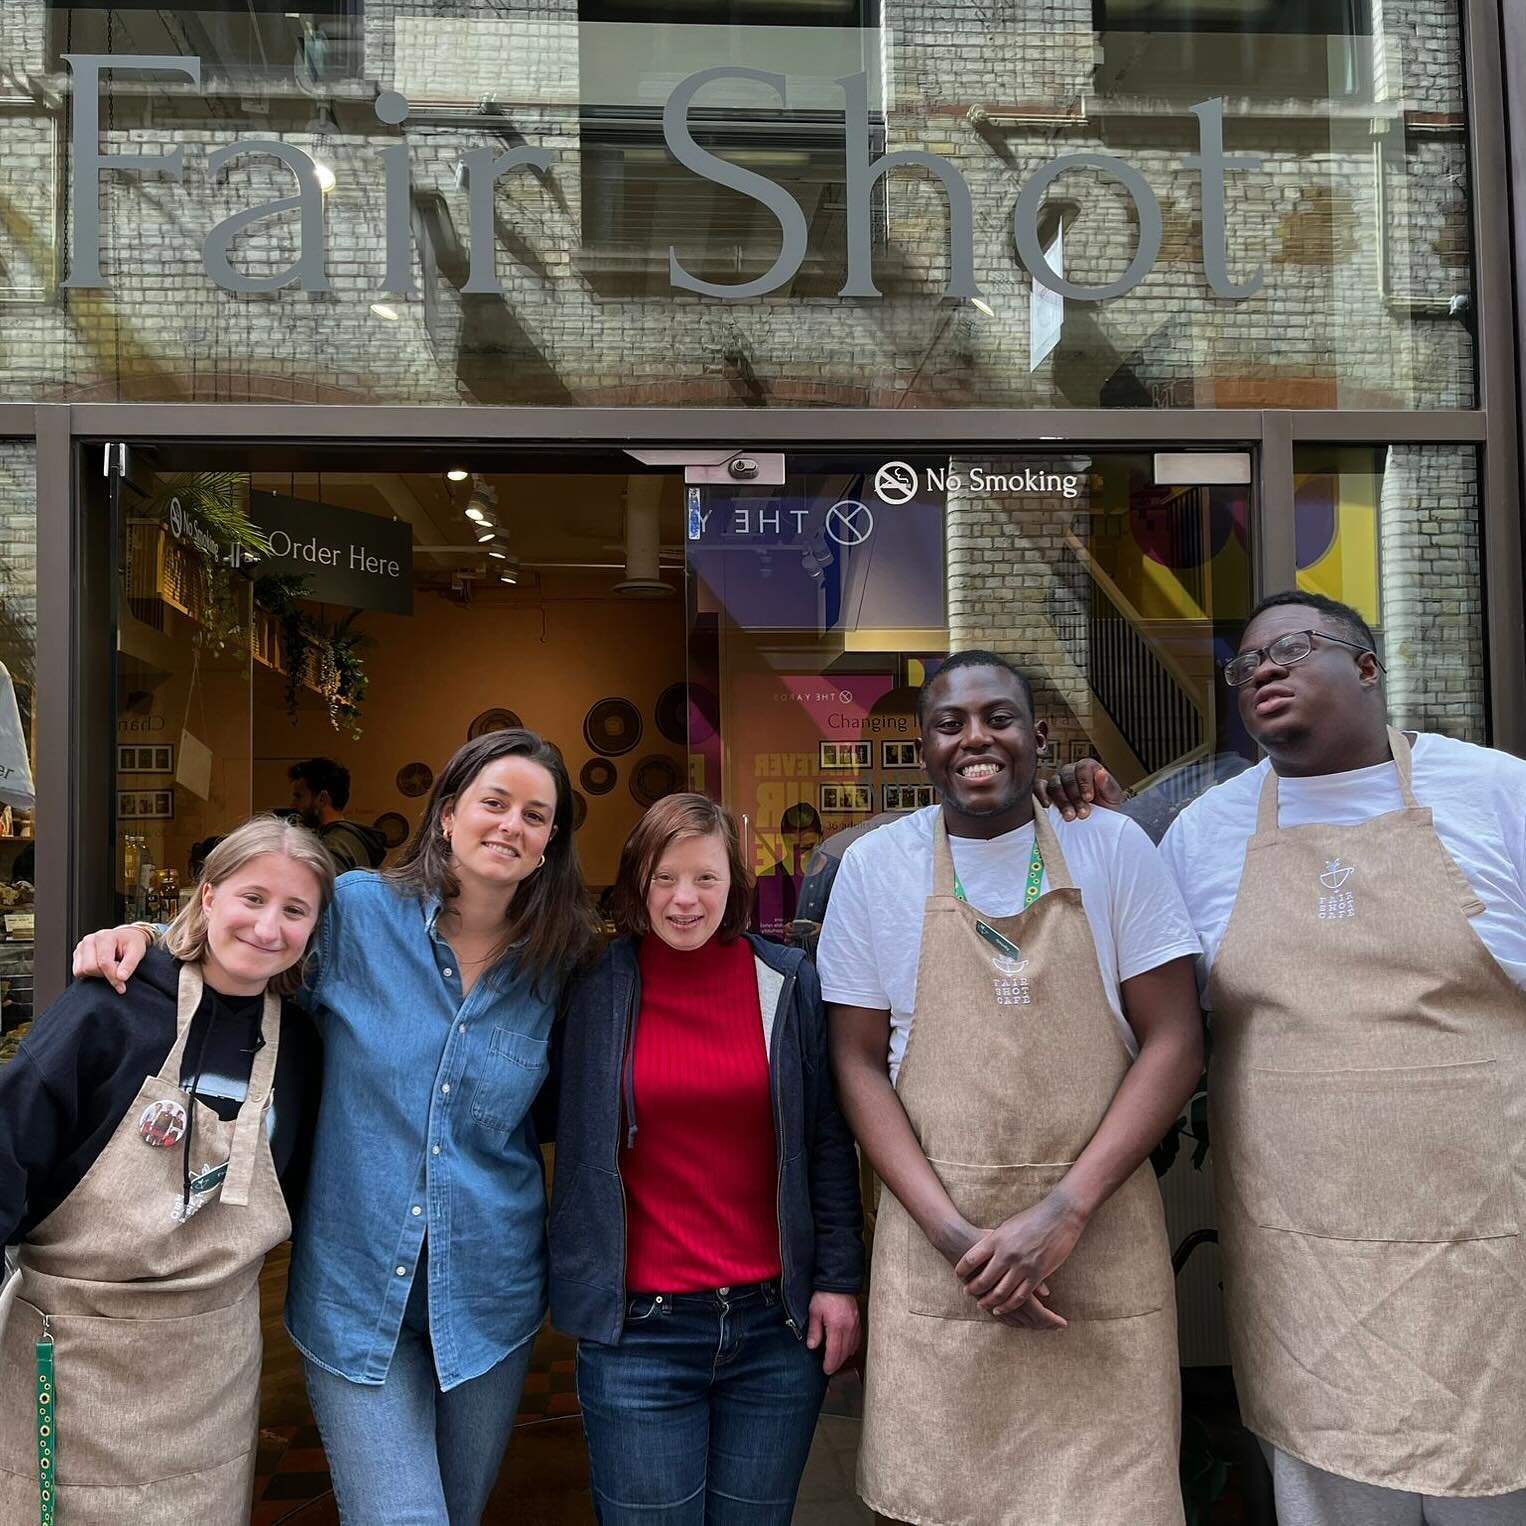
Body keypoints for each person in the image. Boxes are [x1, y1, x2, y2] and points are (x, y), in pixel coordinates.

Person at [1057, 590, 1526, 1524]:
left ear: (1366, 666)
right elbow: (1130, 1001)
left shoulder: (1499, 792)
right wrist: (1096, 831)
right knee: (1329, 1486)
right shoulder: (1204, 832)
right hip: (1307, 1257)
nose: (1263, 669)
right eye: (1246, 664)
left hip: (1490, 1243)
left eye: (1294, 647)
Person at [70, 729, 597, 1524]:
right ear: (449, 813)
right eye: (494, 803)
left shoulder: (561, 962)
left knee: (459, 1509)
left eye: (534, 814)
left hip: (492, 1297)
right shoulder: (357, 913)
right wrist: (147, 940)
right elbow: (245, 953)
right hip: (354, 1294)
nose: (510, 825)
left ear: (550, 841)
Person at [819, 649, 1203, 1525]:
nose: (975, 739)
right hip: (940, 1252)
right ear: (924, 749)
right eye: (949, 724)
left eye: (998, 717)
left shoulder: (1108, 845)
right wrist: (957, 1236)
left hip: (1098, 1245)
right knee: (940, 1502)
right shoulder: (877, 869)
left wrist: (1065, 1211)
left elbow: (1176, 1040)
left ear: (1040, 737)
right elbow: (856, 1063)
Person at [0, 815, 332, 1523]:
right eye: (252, 898)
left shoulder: (302, 1043)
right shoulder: (109, 1007)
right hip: (74, 1352)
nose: (269, 927)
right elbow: (8, 1146)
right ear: (208, 897)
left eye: (295, 909)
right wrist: (145, 939)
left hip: (211, 1368)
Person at [550, 793, 864, 1524]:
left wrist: (839, 1281)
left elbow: (825, 1139)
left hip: (773, 1331)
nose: (684, 900)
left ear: (735, 885)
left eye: (705, 879)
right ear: (635, 883)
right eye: (663, 879)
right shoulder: (592, 988)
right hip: (638, 1336)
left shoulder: (786, 982)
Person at [289, 756, 388, 872]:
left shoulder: (334, 848)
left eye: (298, 796)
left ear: (322, 798)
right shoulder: (352, 839)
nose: (293, 804)